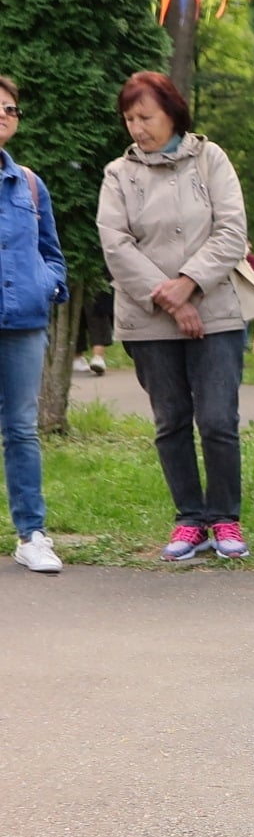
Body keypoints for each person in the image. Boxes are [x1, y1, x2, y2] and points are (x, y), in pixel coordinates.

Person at [97, 71, 251, 561]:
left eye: (146, 117)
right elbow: (115, 245)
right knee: (171, 421)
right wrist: (170, 299)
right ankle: (189, 520)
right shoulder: (118, 175)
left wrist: (189, 284)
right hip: (148, 318)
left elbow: (231, 230)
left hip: (215, 311)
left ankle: (224, 518)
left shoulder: (211, 159)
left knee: (218, 419)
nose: (136, 128)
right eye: (129, 119)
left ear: (172, 112)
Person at [0, 75, 66, 574]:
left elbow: (52, 253)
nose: (5, 114)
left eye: (11, 109)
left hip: (23, 322)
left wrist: (47, 284)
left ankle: (32, 535)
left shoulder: (28, 182)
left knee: (22, 430)